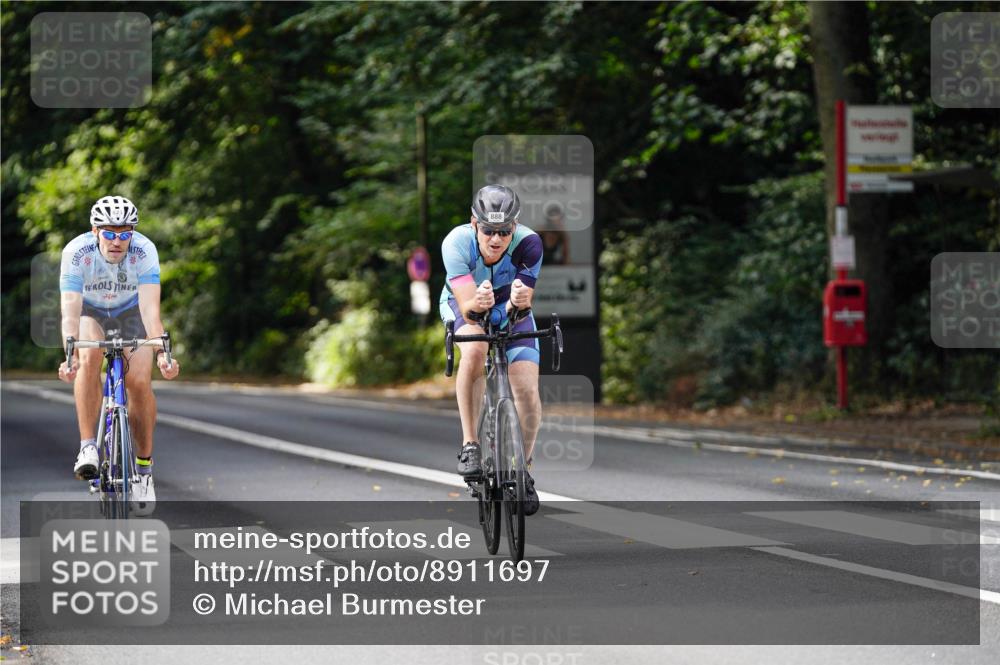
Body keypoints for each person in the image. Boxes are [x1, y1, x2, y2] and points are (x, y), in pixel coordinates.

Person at [57, 195, 180, 516]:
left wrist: (162, 352)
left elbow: (151, 311)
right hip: (91, 312)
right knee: (88, 358)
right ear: (95, 231)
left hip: (130, 313)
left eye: (124, 233)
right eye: (109, 233)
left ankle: (144, 470)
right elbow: (70, 311)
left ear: (132, 234)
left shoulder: (145, 250)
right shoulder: (76, 253)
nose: (117, 241)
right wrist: (69, 354)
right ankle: (88, 447)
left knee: (138, 381)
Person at [439, 184, 544, 515]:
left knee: (527, 391)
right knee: (474, 349)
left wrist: (518, 303)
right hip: (465, 305)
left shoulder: (529, 244)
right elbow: (468, 310)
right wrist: (478, 303)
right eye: (488, 230)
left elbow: (522, 307)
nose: (496, 239)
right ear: (475, 224)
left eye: (504, 231)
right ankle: (470, 444)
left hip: (509, 311)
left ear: (515, 226)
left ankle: (523, 470)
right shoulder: (456, 243)